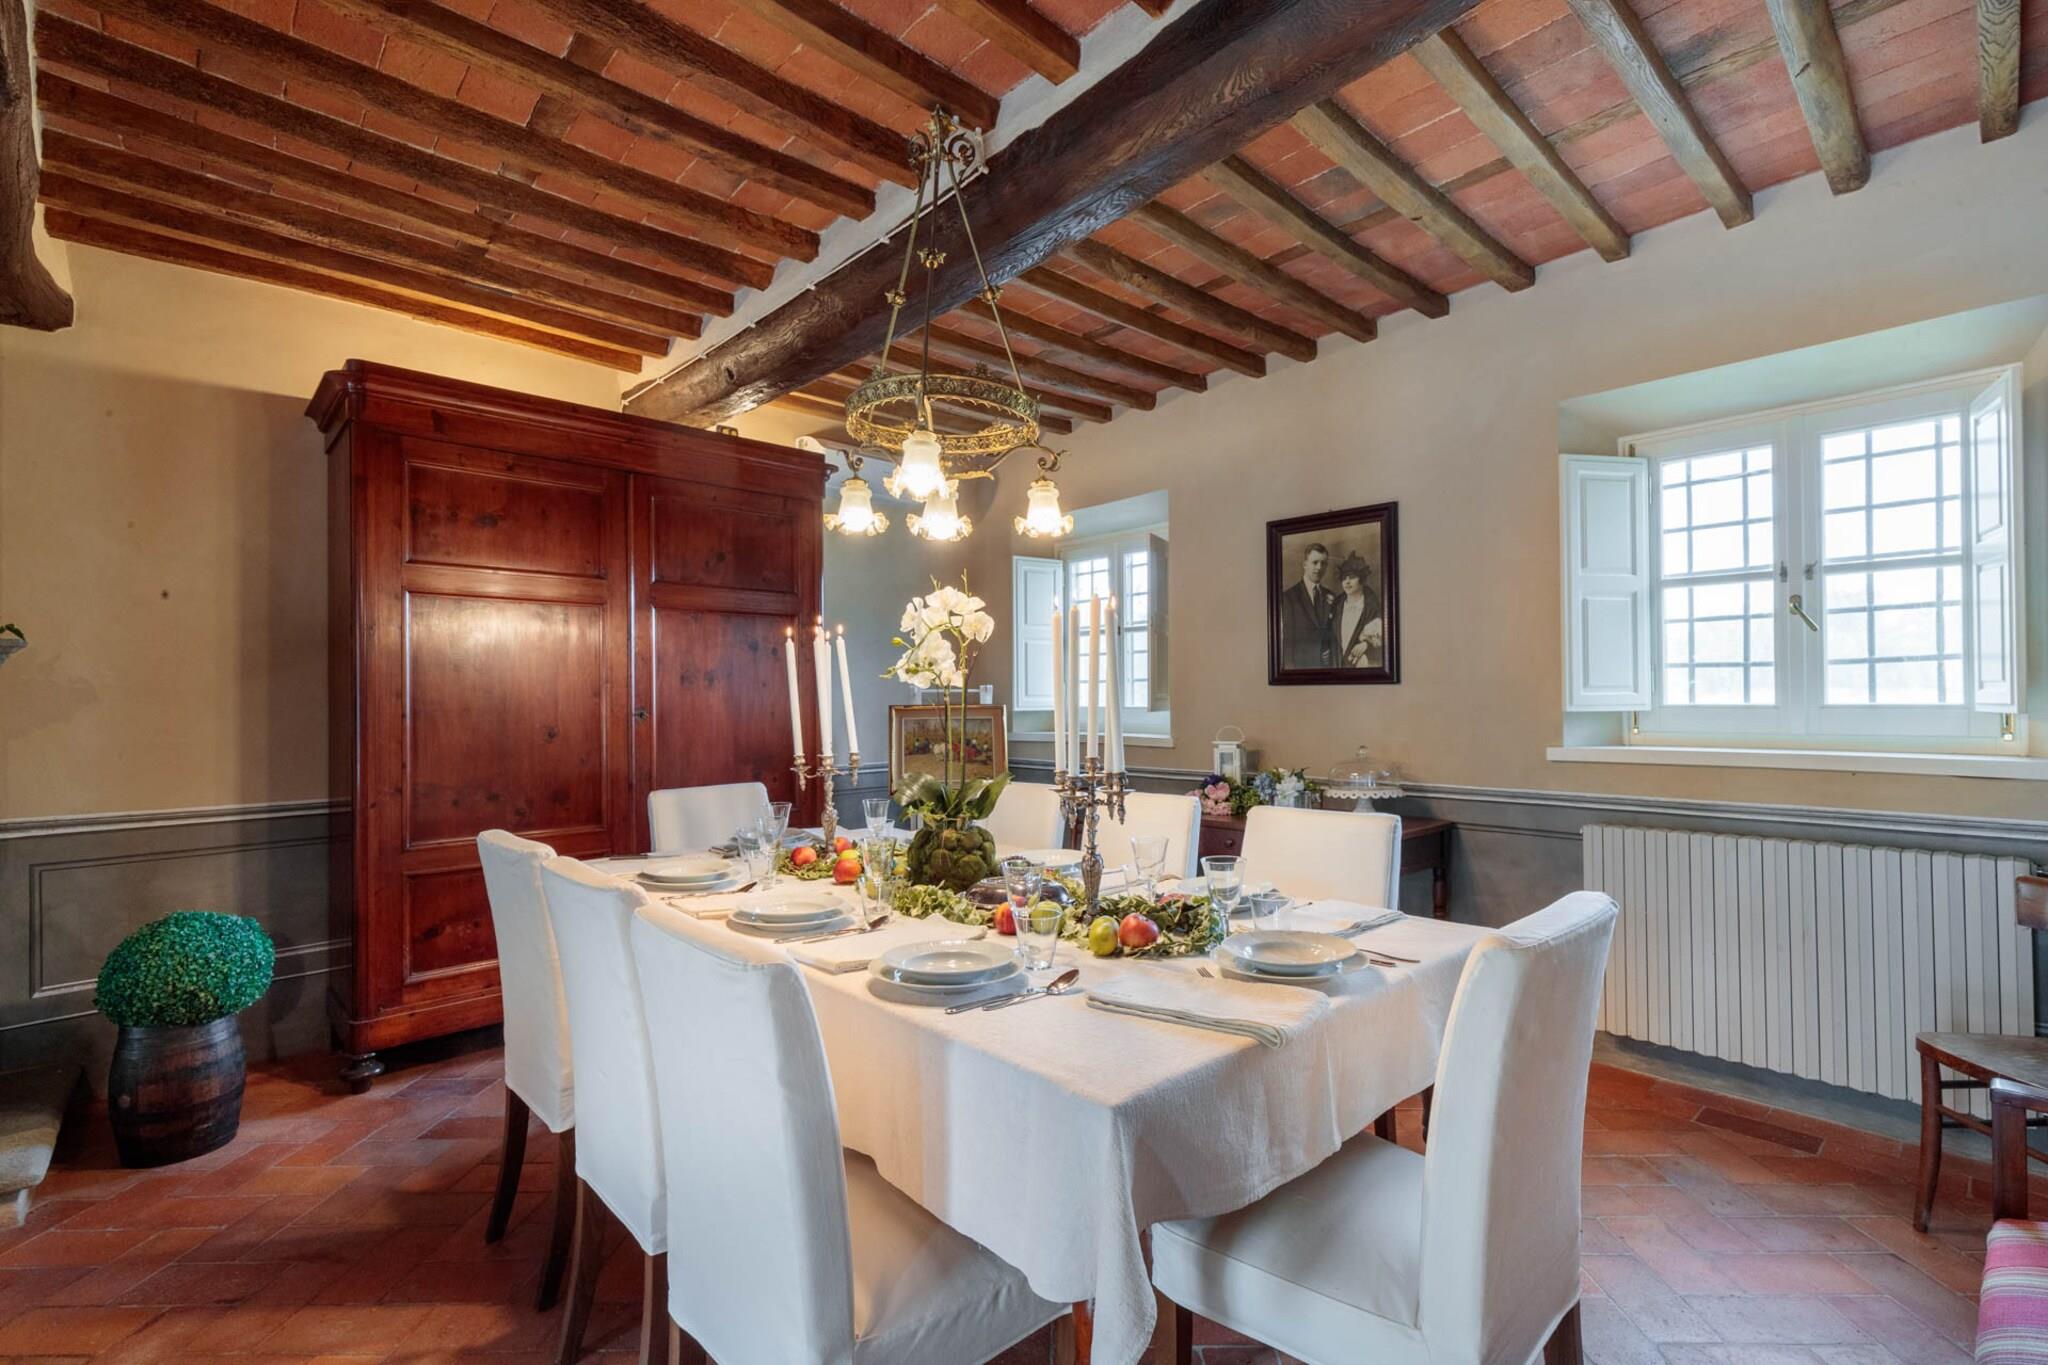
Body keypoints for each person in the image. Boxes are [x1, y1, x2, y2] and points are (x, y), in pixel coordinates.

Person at [1278, 542, 1337, 669]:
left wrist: (1330, 652)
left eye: (1323, 563)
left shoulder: (1331, 596)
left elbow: (1333, 633)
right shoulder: (1288, 597)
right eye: (1315, 562)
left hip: (1327, 668)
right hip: (1300, 668)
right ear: (1305, 564)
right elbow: (1286, 642)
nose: (1319, 567)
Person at [1334, 555, 1384, 668]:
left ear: (1361, 579)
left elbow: (1385, 639)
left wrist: (1366, 645)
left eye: (1352, 577)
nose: (1347, 582)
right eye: (1344, 578)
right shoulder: (1336, 606)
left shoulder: (1372, 608)